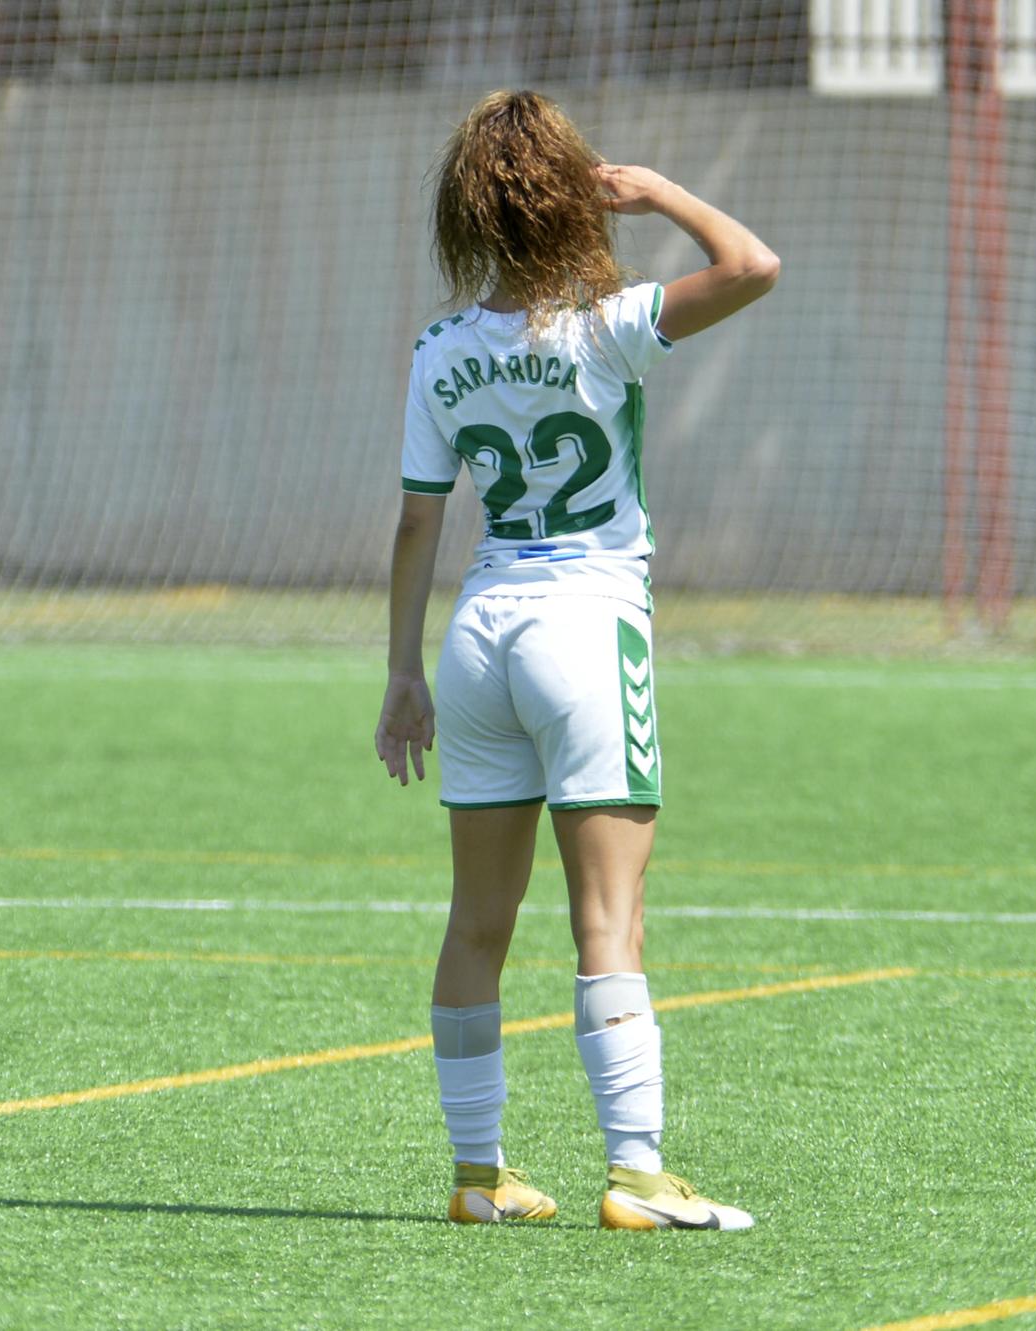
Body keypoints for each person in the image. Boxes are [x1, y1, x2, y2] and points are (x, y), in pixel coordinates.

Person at [373, 89, 779, 1231]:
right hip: (587, 627)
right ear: (566, 197)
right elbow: (751, 264)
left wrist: (401, 673)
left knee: (474, 921)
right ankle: (638, 1174)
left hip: (478, 634)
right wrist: (656, 193)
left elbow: (415, 521)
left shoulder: (440, 349)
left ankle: (476, 1175)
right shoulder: (606, 323)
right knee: (608, 917)